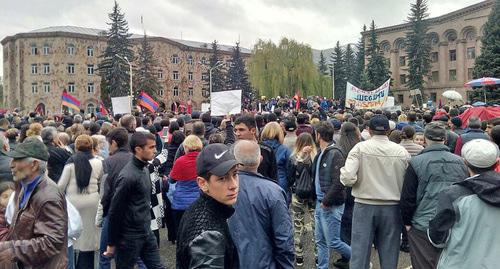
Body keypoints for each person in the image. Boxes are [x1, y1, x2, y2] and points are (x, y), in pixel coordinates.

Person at [341, 114, 411, 269]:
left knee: (360, 253)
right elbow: (408, 182)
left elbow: (347, 178)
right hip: (392, 206)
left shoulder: (359, 148)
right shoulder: (401, 152)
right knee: (390, 253)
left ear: (369, 130)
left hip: (364, 204)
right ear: (388, 131)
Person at [400, 122, 469, 269]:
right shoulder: (461, 162)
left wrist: (406, 222)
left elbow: (408, 196)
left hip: (423, 222)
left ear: (425, 139)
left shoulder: (416, 162)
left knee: (423, 263)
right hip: (453, 220)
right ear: (444, 139)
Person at [428, 139, 500, 269]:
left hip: (459, 263)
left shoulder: (452, 195)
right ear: (497, 163)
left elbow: (437, 239)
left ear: (465, 162)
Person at [0, 139, 68, 268]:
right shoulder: (25, 187)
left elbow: (52, 242)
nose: (11, 164)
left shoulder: (48, 196)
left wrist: (11, 249)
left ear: (34, 165)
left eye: (17, 160)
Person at [229, 140, 295, 268]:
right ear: (260, 159)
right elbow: (284, 238)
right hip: (264, 263)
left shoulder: (224, 188)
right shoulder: (273, 191)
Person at [104, 132, 163, 269]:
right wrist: (112, 243)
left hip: (145, 231)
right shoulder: (128, 176)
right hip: (129, 237)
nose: (155, 151)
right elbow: (115, 211)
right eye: (151, 147)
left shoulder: (144, 168)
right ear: (138, 149)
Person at [176, 144, 239, 269]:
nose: (233, 185)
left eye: (235, 174)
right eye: (222, 178)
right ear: (203, 183)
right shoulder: (209, 236)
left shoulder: (200, 208)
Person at [58, 134, 102, 269]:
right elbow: (101, 181)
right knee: (90, 236)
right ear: (91, 146)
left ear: (76, 146)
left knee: (74, 234)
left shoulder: (70, 163)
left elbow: (60, 186)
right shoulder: (99, 162)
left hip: (73, 202)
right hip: (92, 201)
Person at [312, 121, 350, 269]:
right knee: (320, 241)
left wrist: (326, 201)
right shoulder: (323, 152)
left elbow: (339, 181)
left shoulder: (334, 153)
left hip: (330, 205)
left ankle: (362, 261)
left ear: (318, 135)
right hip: (320, 203)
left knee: (333, 242)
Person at [287, 132, 317, 266]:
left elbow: (289, 178)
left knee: (297, 224)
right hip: (313, 195)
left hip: (297, 194)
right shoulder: (316, 157)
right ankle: (317, 256)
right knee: (315, 224)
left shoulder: (293, 158)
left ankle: (299, 256)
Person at [169, 135, 202, 237]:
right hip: (199, 201)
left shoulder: (180, 161)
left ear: (186, 147)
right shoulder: (203, 160)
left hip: (180, 203)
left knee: (182, 233)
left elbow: (172, 179)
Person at [335, 122, 361, 246]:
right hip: (360, 186)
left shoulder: (339, 149)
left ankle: (347, 248)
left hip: (345, 187)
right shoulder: (361, 147)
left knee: (345, 218)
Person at [234, 114, 277, 181]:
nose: (237, 133)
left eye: (241, 130)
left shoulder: (266, 150)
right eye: (235, 130)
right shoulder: (232, 150)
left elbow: (273, 176)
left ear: (253, 130)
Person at [261, 122, 292, 203]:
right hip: (281, 183)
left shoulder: (258, 148)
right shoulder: (285, 150)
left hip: (262, 184)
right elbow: (290, 170)